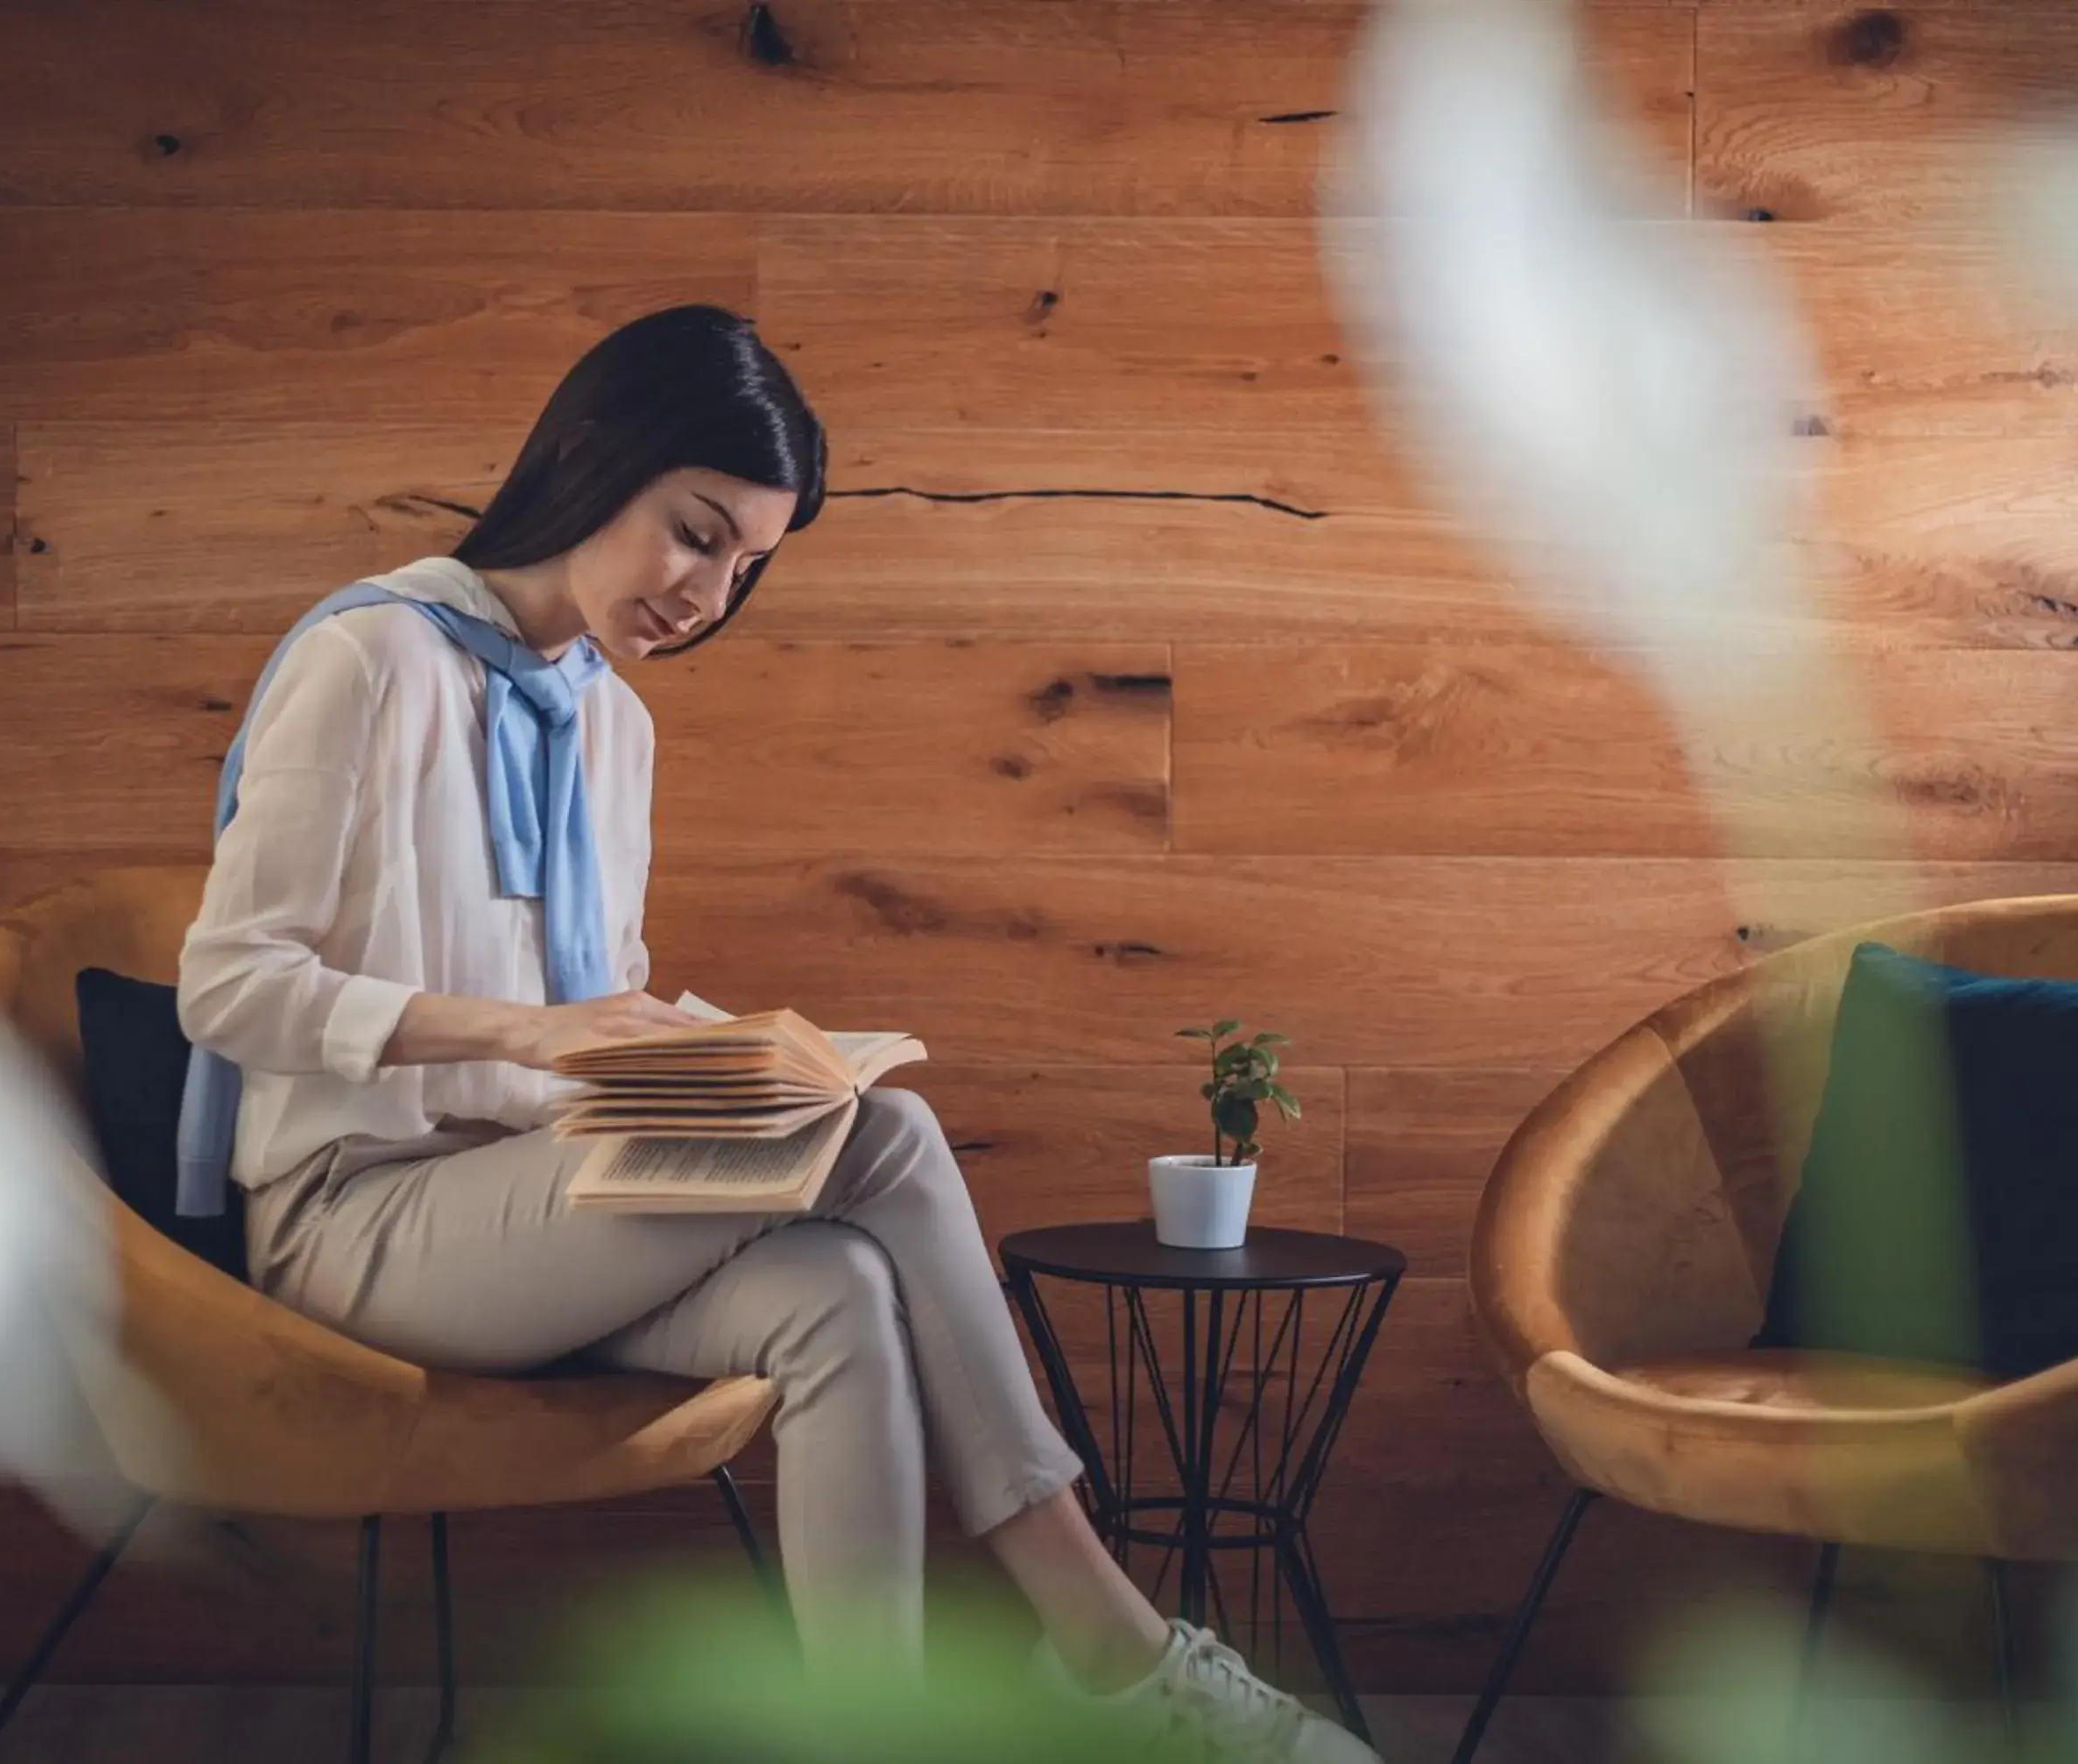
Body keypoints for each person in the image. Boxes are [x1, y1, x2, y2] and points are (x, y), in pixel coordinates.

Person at [174, 304, 1379, 1764]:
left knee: (838, 1296)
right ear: (592, 457)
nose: (707, 592)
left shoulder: (615, 725)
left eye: (745, 564)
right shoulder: (372, 658)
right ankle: (1114, 1643)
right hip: (353, 1224)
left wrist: (708, 1051)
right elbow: (232, 985)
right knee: (887, 1135)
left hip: (541, 1208)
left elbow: (594, 998)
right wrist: (534, 1033)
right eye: (694, 532)